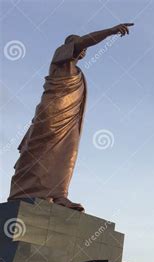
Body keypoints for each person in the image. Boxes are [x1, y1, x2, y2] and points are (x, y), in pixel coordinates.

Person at [8, 23, 134, 211]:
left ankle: (58, 194)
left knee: (67, 154)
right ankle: (30, 191)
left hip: (70, 120)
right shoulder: (60, 56)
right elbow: (84, 42)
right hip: (52, 115)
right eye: (78, 45)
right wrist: (110, 31)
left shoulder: (78, 73)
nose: (82, 50)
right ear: (69, 46)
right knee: (39, 151)